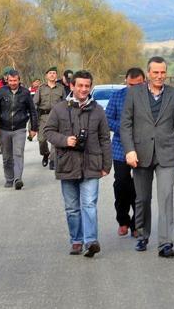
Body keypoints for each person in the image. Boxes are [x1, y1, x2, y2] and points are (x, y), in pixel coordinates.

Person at [120, 56, 174, 258]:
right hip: (140, 154)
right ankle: (142, 235)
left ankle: (165, 243)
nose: (159, 76)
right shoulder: (134, 93)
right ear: (148, 73)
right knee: (142, 198)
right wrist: (129, 150)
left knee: (166, 197)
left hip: (167, 154)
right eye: (155, 72)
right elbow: (126, 125)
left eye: (163, 72)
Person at [43, 70, 112, 257]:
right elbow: (48, 131)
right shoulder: (59, 108)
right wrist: (65, 140)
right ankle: (76, 240)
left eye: (87, 86)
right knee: (72, 208)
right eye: (80, 85)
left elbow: (105, 138)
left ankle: (91, 241)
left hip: (92, 163)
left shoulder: (97, 110)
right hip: (67, 164)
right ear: (72, 86)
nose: (83, 89)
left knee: (89, 204)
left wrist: (107, 164)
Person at [105, 67, 146, 237]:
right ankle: (123, 219)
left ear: (144, 82)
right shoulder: (117, 96)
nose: (134, 88)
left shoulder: (150, 98)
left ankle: (137, 224)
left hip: (143, 148)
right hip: (120, 148)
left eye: (138, 85)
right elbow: (107, 119)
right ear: (126, 82)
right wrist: (124, 129)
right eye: (131, 85)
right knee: (121, 184)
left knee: (139, 187)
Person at [0, 69, 38, 189]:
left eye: (15, 80)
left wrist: (33, 128)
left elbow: (32, 111)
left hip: (19, 128)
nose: (12, 83)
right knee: (7, 157)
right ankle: (9, 178)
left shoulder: (25, 93)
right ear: (7, 80)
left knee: (18, 153)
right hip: (4, 128)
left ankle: (18, 179)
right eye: (10, 80)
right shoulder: (1, 92)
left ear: (19, 80)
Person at [33, 67, 66, 170]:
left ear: (56, 75)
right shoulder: (41, 88)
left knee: (54, 140)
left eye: (54, 73)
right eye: (50, 73)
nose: (52, 75)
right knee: (41, 140)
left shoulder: (61, 88)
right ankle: (45, 154)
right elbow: (35, 103)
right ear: (46, 75)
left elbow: (65, 103)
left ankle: (53, 160)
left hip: (57, 117)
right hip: (43, 117)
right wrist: (33, 120)